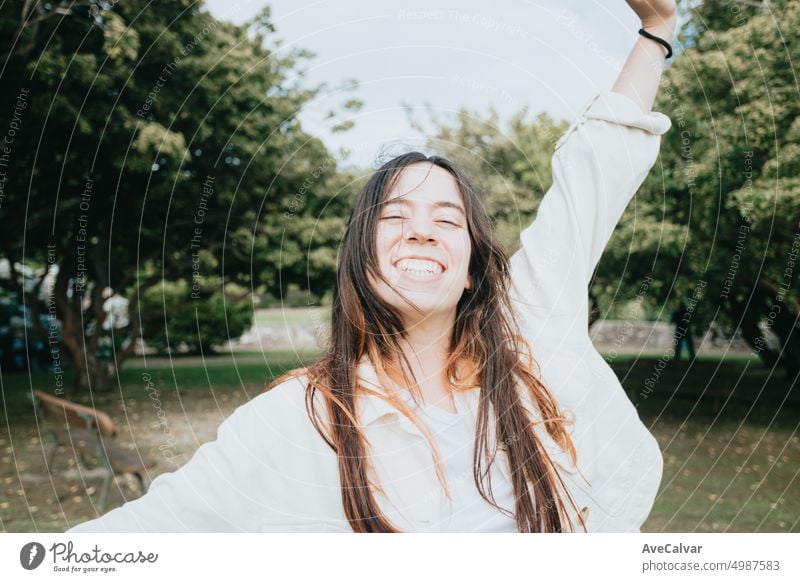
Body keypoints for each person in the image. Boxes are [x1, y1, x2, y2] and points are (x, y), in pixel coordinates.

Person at [67, 0, 676, 533]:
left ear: (469, 270)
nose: (420, 229)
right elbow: (155, 527)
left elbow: (595, 171)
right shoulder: (297, 420)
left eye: (447, 219)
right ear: (362, 255)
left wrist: (657, 28)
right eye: (395, 216)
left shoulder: (528, 332)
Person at [671, 296, 697, 361]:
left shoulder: (677, 312)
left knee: (680, 345)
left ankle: (678, 357)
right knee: (688, 344)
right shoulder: (687, 312)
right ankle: (691, 357)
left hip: (680, 330)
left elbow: (672, 320)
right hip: (686, 329)